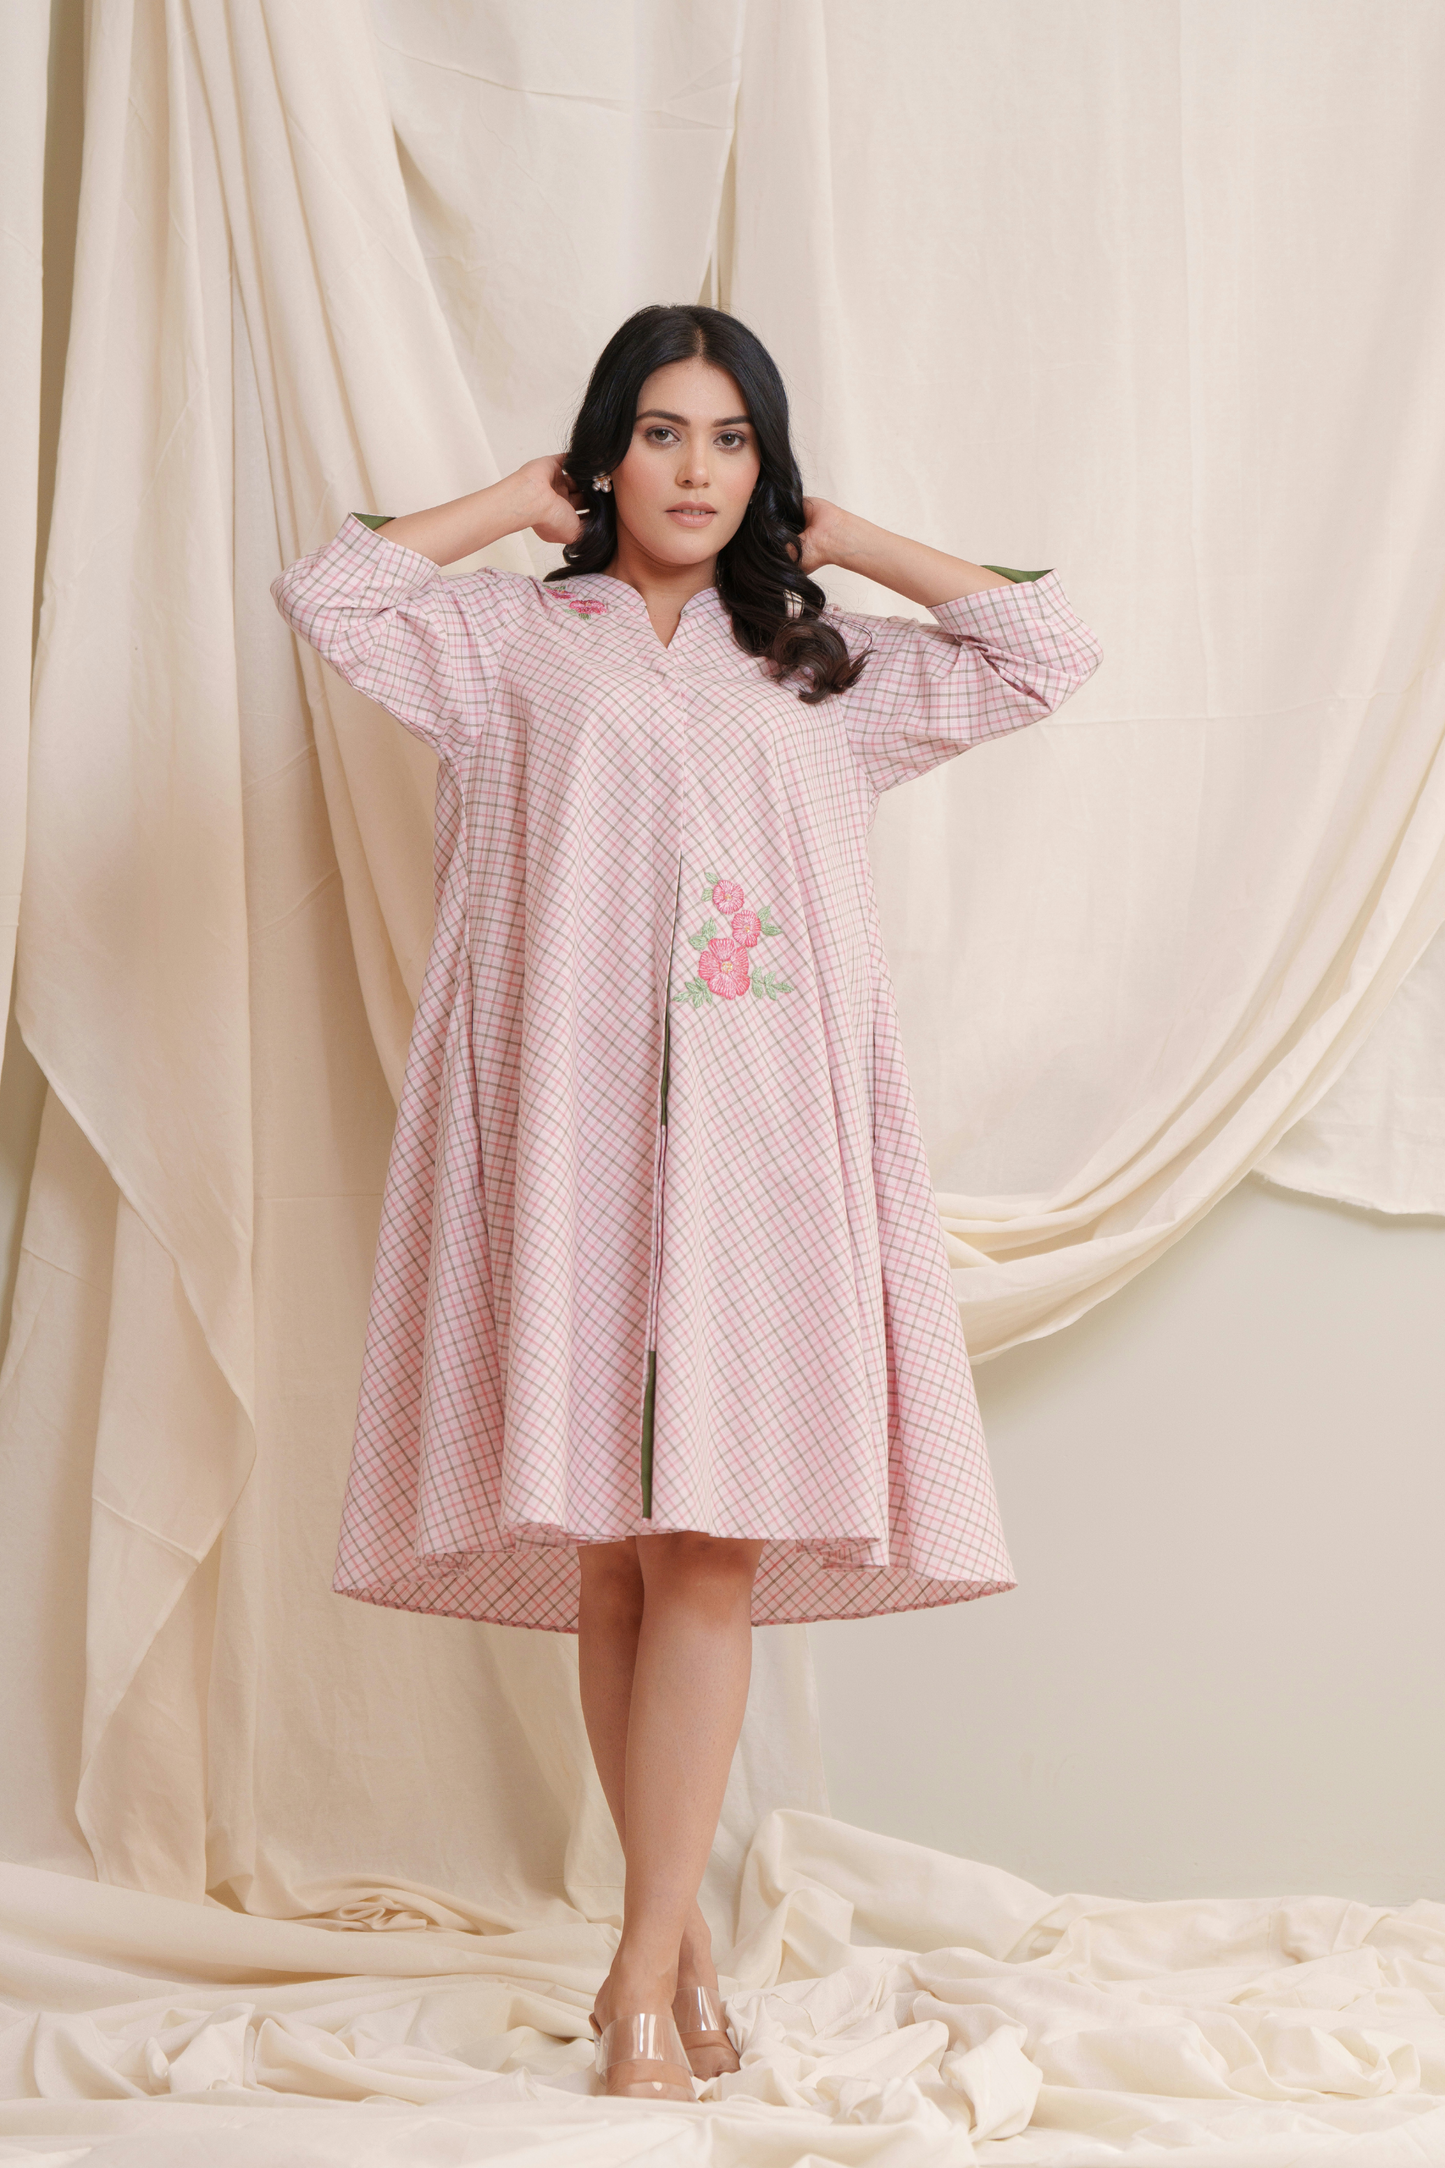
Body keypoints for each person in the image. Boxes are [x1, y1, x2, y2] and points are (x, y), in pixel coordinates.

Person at [271, 303, 1102, 2102]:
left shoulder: (820, 664)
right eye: (662, 433)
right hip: (562, 1139)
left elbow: (1046, 647)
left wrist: (852, 538)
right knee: (611, 1553)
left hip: (763, 1152)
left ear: (766, 467)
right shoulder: (506, 642)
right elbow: (328, 592)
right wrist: (515, 502)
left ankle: (640, 1975)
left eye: (732, 439)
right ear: (608, 452)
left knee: (707, 1542)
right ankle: (678, 1958)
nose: (698, 469)